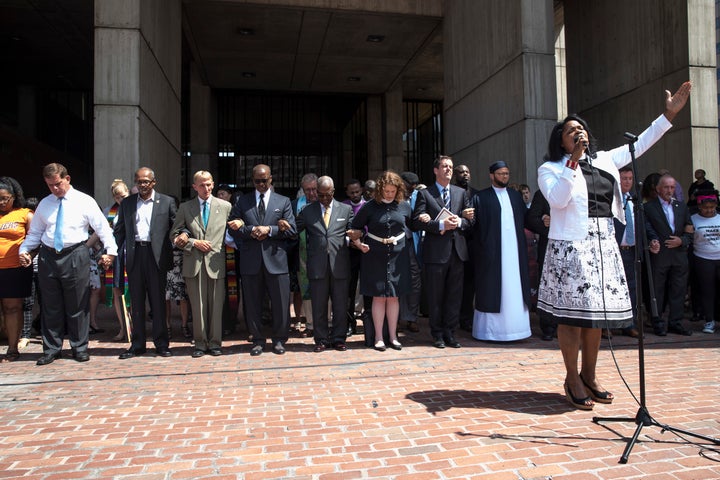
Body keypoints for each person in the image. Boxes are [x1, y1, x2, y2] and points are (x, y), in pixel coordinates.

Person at [536, 81, 691, 410]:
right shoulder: (550, 169)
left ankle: (589, 375)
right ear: (560, 140)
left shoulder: (606, 160)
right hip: (570, 248)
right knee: (572, 318)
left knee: (597, 316)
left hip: (603, 244)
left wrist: (668, 115)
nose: (577, 132)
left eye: (581, 128)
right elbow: (559, 200)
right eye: (570, 130)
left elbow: (643, 143)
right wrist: (572, 162)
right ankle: (571, 377)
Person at [19, 163, 117, 365]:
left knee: (78, 304)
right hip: (48, 255)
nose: (55, 189)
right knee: (50, 304)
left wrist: (111, 252)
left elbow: (102, 228)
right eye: (50, 185)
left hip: (75, 253)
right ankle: (52, 349)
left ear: (67, 179)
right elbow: (35, 232)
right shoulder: (45, 204)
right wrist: (25, 250)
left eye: (58, 184)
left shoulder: (84, 201)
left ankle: (79, 347)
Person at [228, 164, 296, 356]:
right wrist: (251, 230)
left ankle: (279, 340)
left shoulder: (283, 202)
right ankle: (257, 340)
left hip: (276, 260)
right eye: (257, 181)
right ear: (252, 181)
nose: (261, 184)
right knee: (252, 303)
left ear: (271, 179)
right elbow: (233, 228)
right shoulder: (243, 202)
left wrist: (270, 230)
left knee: (281, 304)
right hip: (251, 261)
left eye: (264, 180)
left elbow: (291, 230)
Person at [114, 167, 176, 359]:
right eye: (138, 181)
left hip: (156, 255)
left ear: (153, 182)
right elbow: (120, 231)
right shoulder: (127, 203)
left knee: (158, 302)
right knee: (137, 301)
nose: (142, 185)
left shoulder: (167, 202)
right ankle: (138, 344)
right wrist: (110, 252)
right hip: (135, 255)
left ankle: (161, 343)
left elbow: (176, 227)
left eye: (145, 182)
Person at [413, 156, 473, 348]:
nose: (448, 170)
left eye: (450, 167)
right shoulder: (425, 194)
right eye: (444, 167)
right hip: (436, 254)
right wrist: (439, 224)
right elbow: (415, 222)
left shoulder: (460, 193)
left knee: (454, 296)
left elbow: (471, 221)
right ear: (436, 170)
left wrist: (460, 222)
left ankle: (450, 332)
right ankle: (437, 333)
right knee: (436, 295)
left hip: (457, 252)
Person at [349, 171, 413, 351]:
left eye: (393, 191)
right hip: (374, 253)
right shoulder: (369, 207)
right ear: (380, 189)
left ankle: (393, 336)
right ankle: (378, 337)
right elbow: (355, 227)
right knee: (378, 296)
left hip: (398, 254)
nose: (390, 195)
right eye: (386, 191)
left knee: (394, 296)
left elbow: (415, 224)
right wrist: (359, 244)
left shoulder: (404, 206)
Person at [172, 171, 233, 357]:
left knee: (216, 305)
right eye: (201, 185)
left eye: (208, 184)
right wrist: (192, 242)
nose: (205, 188)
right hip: (194, 262)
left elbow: (232, 232)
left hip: (216, 262)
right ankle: (200, 343)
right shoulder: (185, 207)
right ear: (194, 187)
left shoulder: (225, 206)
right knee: (197, 306)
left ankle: (215, 343)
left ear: (213, 184)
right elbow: (174, 234)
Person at [470, 161, 531, 342]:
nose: (504, 176)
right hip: (491, 255)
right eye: (501, 174)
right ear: (492, 175)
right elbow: (473, 228)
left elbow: (526, 220)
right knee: (491, 290)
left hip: (515, 254)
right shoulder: (481, 197)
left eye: (506, 173)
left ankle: (517, 330)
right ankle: (489, 332)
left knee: (515, 289)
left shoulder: (515, 196)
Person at [296, 176, 354, 352]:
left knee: (340, 305)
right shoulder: (308, 211)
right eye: (320, 195)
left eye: (327, 195)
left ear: (333, 192)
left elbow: (353, 231)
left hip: (340, 265)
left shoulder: (345, 209)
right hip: (317, 266)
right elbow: (293, 230)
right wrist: (279, 227)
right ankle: (320, 339)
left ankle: (338, 338)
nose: (323, 199)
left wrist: (356, 236)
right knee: (319, 306)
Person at [644, 174, 694, 336]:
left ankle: (676, 322)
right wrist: (653, 240)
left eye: (672, 187)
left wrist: (682, 240)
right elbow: (647, 228)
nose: (669, 190)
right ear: (658, 189)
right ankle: (657, 322)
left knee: (679, 289)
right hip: (660, 255)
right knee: (657, 290)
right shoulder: (648, 207)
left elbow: (689, 227)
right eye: (666, 187)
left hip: (679, 255)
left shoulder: (682, 206)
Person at [0, 177, 34, 362]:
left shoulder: (24, 214)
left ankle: (12, 349)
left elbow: (35, 239)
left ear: (14, 196)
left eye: (6, 198)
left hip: (14, 268)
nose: (2, 202)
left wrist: (29, 255)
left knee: (12, 308)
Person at [612, 167, 640, 338]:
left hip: (631, 252)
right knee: (612, 289)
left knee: (631, 289)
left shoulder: (633, 200)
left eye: (630, 178)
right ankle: (606, 327)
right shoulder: (612, 201)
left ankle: (629, 324)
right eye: (624, 178)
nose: (628, 181)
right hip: (615, 251)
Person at [289, 173, 318, 337]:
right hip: (300, 254)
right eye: (308, 190)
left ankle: (324, 322)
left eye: (314, 189)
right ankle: (309, 323)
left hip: (321, 254)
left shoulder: (325, 204)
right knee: (304, 288)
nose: (312, 193)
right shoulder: (294, 205)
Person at [104, 179, 131, 341]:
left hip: (132, 252)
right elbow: (101, 232)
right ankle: (123, 327)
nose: (121, 200)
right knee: (117, 289)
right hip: (116, 252)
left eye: (123, 196)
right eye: (118, 198)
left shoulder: (135, 207)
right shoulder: (109, 212)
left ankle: (133, 325)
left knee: (133, 289)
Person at [453, 164, 480, 332]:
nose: (465, 174)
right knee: (455, 284)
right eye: (461, 172)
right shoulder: (452, 193)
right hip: (455, 242)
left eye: (467, 171)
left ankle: (467, 318)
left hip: (472, 243)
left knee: (470, 285)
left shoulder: (476, 194)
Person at [342, 178, 370, 336]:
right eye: (351, 192)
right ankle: (349, 324)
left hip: (366, 251)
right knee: (349, 291)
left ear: (362, 190)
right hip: (349, 252)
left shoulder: (369, 206)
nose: (355, 195)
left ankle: (368, 324)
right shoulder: (343, 206)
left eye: (357, 192)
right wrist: (349, 242)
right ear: (347, 192)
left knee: (367, 289)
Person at [525, 189, 554, 340]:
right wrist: (545, 224)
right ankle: (548, 327)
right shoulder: (542, 193)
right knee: (547, 286)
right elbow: (531, 219)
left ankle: (566, 325)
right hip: (548, 246)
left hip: (571, 246)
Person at [690, 190, 720, 334]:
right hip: (703, 259)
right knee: (707, 291)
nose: (709, 210)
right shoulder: (693, 219)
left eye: (712, 207)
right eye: (706, 208)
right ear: (700, 206)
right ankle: (709, 321)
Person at [399, 171, 422, 334]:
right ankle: (400, 316)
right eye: (409, 187)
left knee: (415, 281)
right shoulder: (393, 198)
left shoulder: (419, 196)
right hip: (396, 245)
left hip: (413, 244)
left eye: (413, 188)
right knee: (398, 281)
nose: (411, 191)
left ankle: (412, 317)